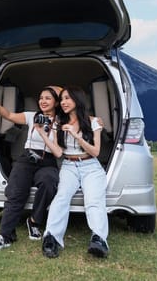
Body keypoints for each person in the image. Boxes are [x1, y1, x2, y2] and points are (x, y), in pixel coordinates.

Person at [0, 86, 63, 250]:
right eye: (41, 97)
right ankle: (5, 236)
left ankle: (33, 221)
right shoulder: (32, 116)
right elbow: (9, 115)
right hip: (27, 158)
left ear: (56, 102)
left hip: (48, 160)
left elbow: (82, 118)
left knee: (49, 182)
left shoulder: (63, 121)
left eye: (48, 98)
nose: (43, 101)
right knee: (16, 191)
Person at [35, 86, 110, 258]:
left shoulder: (94, 122)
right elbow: (59, 153)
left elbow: (96, 152)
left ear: (77, 100)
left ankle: (99, 239)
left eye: (67, 98)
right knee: (61, 198)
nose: (63, 102)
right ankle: (51, 238)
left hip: (91, 166)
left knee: (93, 201)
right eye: (62, 99)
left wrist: (76, 136)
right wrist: (42, 133)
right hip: (69, 165)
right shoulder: (59, 124)